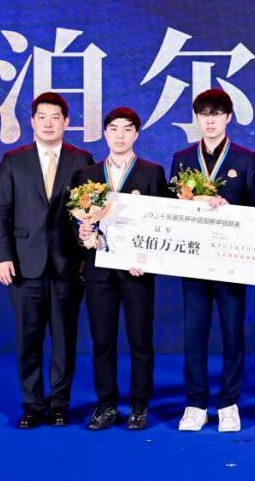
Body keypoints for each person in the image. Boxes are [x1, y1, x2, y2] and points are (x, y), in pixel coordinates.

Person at [0, 92, 94, 428]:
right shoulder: (13, 160)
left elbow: (91, 211)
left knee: (64, 338)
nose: (48, 124)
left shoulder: (82, 160)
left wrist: (86, 252)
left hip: (68, 264)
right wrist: (2, 256)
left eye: (55, 117)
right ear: (32, 121)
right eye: (42, 117)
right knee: (28, 338)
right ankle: (32, 404)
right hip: (24, 264)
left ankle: (60, 403)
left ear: (67, 122)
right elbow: (0, 213)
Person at [169, 89, 255, 433]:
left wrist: (229, 208)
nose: (210, 121)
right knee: (194, 334)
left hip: (230, 262)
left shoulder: (246, 159)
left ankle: (228, 403)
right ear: (197, 118)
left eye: (217, 114)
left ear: (228, 118)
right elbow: (169, 209)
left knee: (232, 333)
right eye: (204, 114)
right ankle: (195, 404)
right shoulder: (182, 158)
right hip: (194, 261)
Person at [74, 107, 172, 431]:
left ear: (136, 134)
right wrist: (82, 232)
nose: (120, 135)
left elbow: (163, 222)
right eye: (113, 129)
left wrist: (148, 259)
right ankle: (105, 406)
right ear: (105, 133)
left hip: (136, 271)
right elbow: (73, 220)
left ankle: (139, 407)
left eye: (127, 129)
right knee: (102, 341)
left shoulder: (152, 172)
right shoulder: (87, 174)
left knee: (140, 340)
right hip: (99, 270)